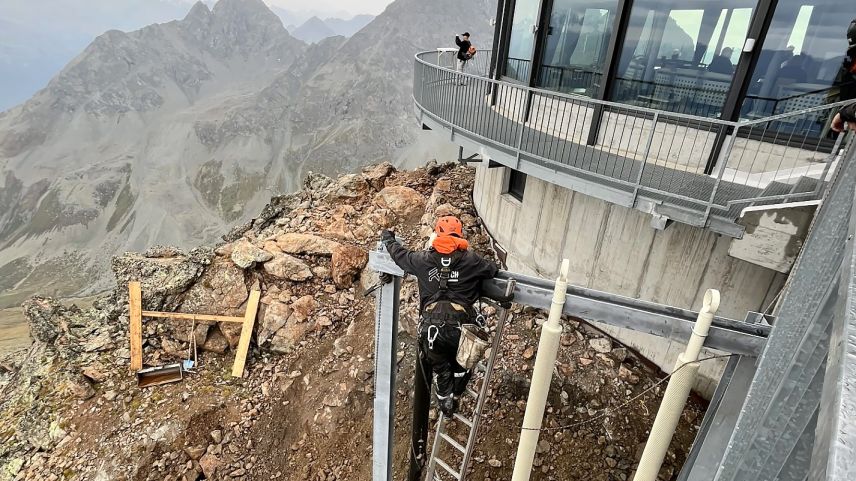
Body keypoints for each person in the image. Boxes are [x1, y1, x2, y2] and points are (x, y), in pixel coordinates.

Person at [381, 216, 498, 416]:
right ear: (459, 235)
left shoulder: (423, 260)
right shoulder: (471, 260)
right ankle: (456, 395)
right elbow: (492, 270)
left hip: (431, 331)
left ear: (437, 234)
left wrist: (388, 240)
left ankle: (446, 404)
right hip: (460, 330)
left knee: (441, 369)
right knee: (462, 365)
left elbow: (400, 256)